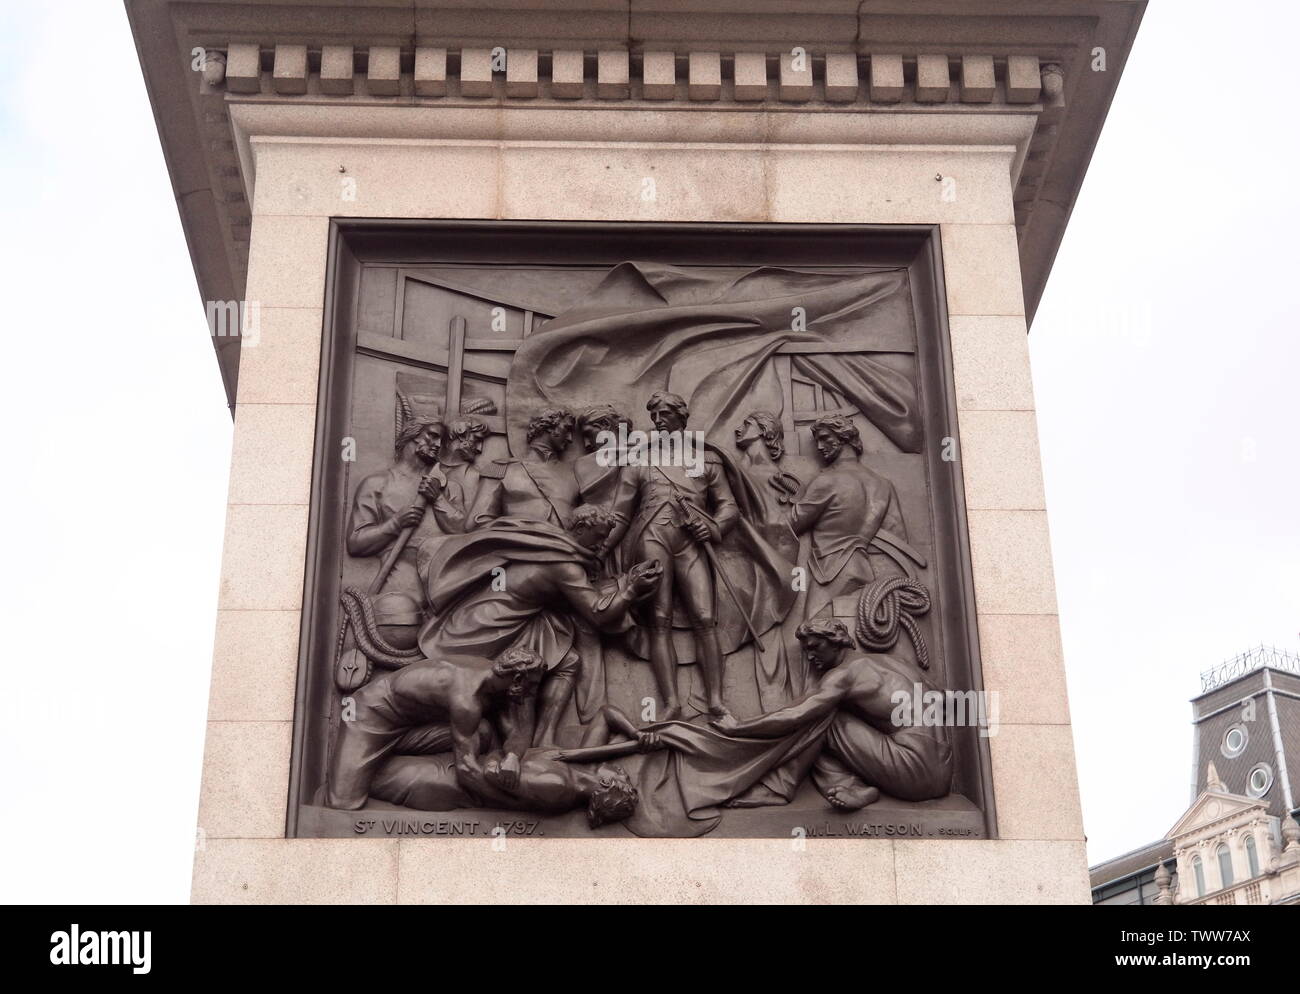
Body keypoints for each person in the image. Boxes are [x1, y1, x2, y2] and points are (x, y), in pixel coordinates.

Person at [416, 504, 663, 745]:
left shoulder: (542, 536)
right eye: (598, 537)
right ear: (580, 529)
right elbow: (597, 613)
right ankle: (532, 742)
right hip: (493, 628)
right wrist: (631, 590)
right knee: (537, 670)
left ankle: (540, 739)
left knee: (566, 659)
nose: (602, 545)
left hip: (501, 614)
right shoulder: (565, 566)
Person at [710, 618, 951, 810]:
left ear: (836, 641)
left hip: (914, 772)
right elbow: (943, 699)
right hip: (942, 772)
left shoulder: (844, 675)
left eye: (815, 647)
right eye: (805, 651)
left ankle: (779, 787)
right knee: (835, 711)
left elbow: (796, 715)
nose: (810, 656)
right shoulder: (896, 663)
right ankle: (855, 787)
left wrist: (739, 727)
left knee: (823, 717)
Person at [604, 391, 739, 719]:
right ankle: (671, 703)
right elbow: (620, 515)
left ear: (682, 416)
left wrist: (714, 527)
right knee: (659, 620)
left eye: (665, 414)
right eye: (654, 417)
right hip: (651, 540)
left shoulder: (707, 461)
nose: (659, 422)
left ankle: (716, 701)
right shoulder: (639, 462)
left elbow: (729, 506)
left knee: (706, 618)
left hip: (691, 545)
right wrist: (600, 548)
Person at [326, 647, 549, 810]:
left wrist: (512, 757)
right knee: (342, 801)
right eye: (533, 686)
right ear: (518, 679)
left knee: (482, 731)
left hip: (415, 724)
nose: (533, 693)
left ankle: (386, 760)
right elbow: (467, 771)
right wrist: (523, 801)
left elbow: (520, 728)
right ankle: (378, 768)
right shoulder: (467, 699)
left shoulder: (503, 681)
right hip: (371, 716)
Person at [369, 705, 660, 827]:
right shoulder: (583, 765)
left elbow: (487, 775)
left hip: (446, 780)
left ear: (606, 785)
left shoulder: (556, 787)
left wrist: (504, 754)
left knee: (370, 773)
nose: (621, 769)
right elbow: (606, 713)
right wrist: (636, 735)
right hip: (467, 755)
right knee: (374, 746)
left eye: (622, 777)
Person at [787, 414, 912, 621]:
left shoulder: (827, 481)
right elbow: (898, 540)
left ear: (844, 437)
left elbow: (791, 526)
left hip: (832, 572)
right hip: (864, 571)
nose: (819, 446)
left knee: (813, 630)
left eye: (825, 438)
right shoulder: (883, 485)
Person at [470, 408, 579, 528]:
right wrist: (521, 526)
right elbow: (476, 522)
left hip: (566, 544)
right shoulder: (501, 469)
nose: (570, 438)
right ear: (548, 426)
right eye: (566, 428)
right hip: (518, 543)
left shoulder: (574, 474)